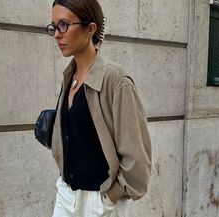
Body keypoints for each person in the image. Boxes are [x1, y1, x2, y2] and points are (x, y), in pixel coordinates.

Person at [46, 0, 152, 216]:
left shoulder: (116, 81)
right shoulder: (70, 77)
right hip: (66, 194)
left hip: (100, 200)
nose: (57, 34)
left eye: (64, 25)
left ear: (90, 29)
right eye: (54, 26)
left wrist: (111, 196)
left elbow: (136, 157)